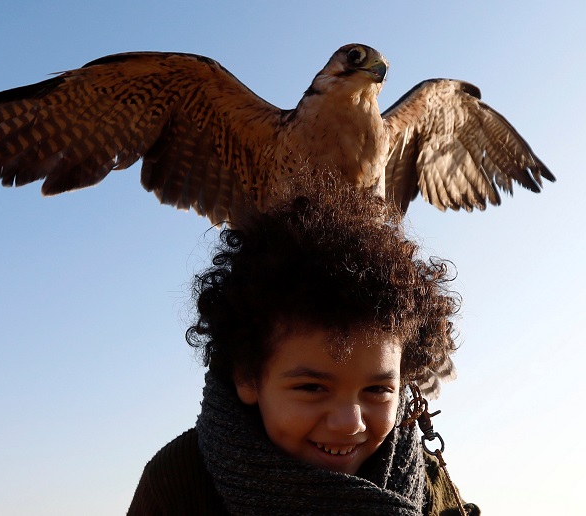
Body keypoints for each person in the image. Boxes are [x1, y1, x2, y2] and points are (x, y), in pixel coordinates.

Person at [128, 176, 479, 515]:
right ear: (248, 377)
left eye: (377, 389)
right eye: (312, 387)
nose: (349, 423)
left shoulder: (429, 483)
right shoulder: (178, 483)